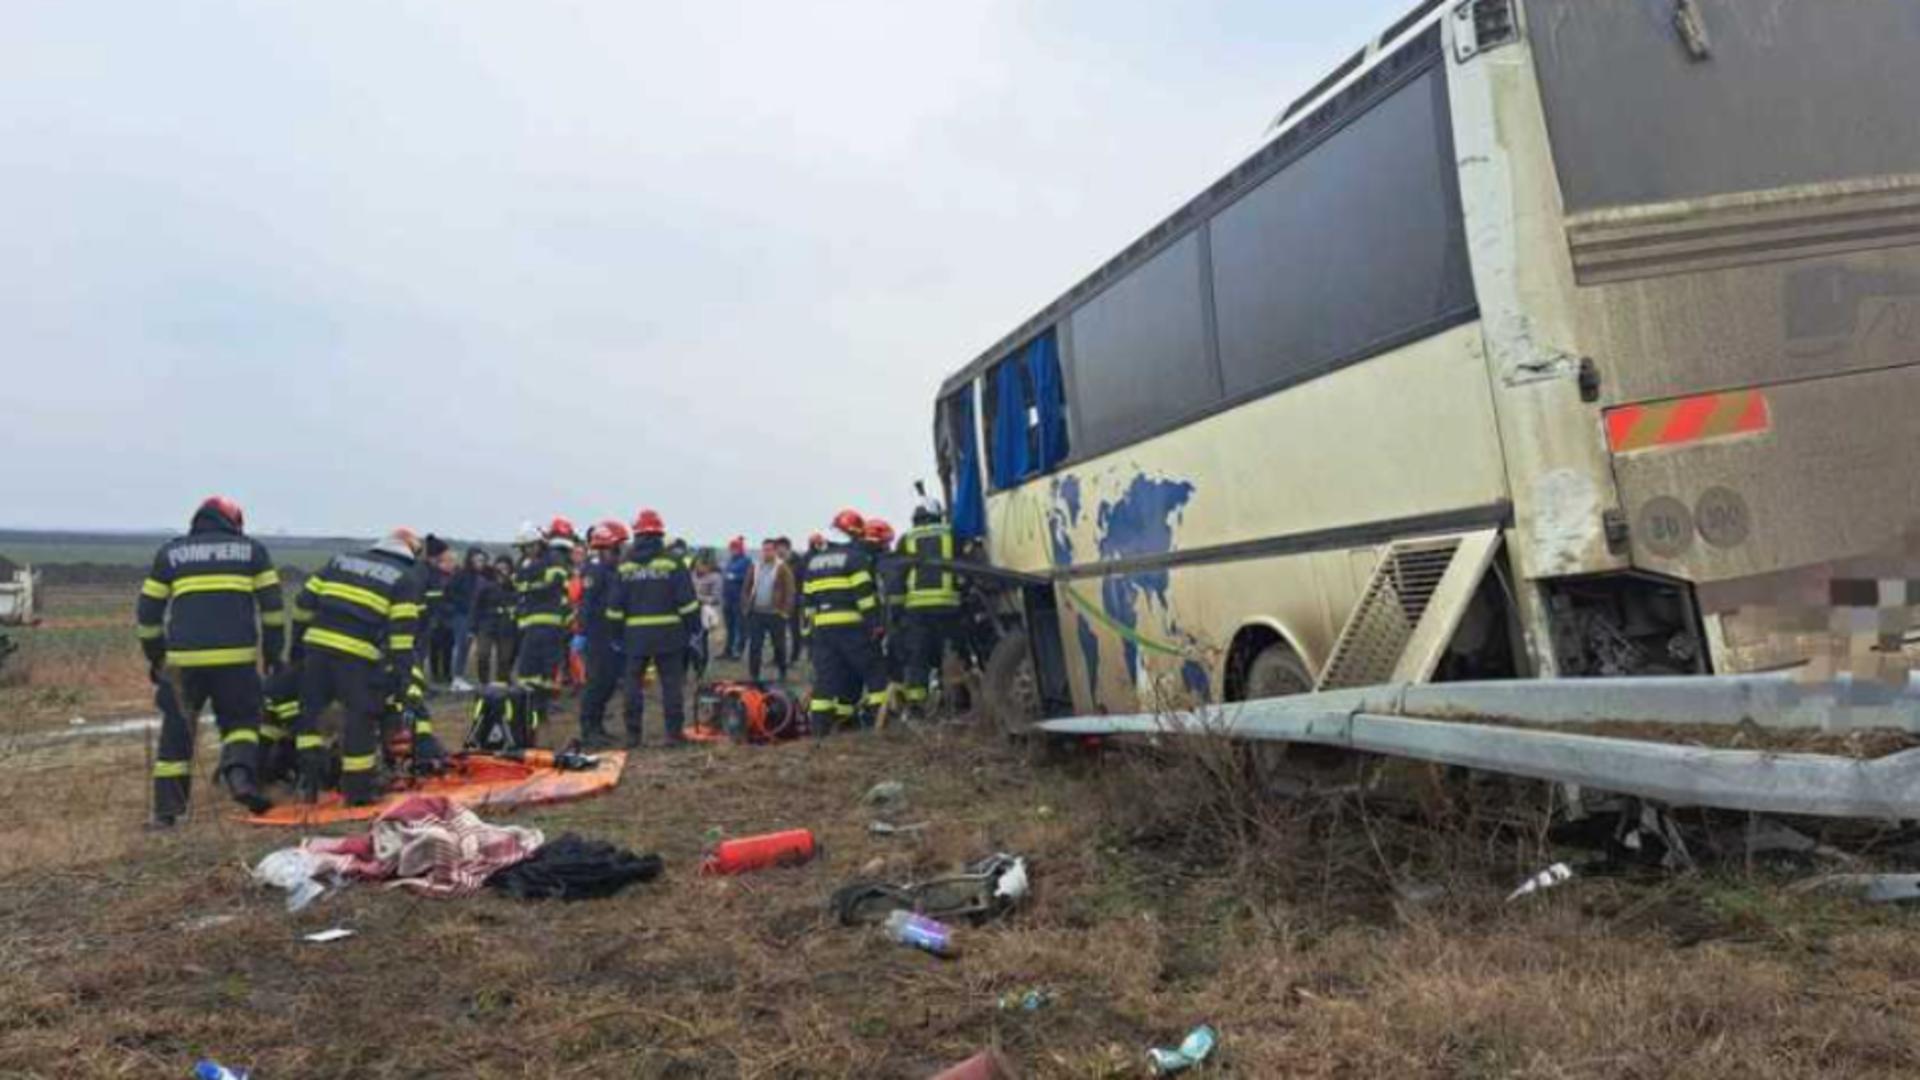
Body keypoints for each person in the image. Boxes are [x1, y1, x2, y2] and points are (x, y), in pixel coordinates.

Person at [135, 495, 285, 824]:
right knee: (242, 723)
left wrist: (156, 656)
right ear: (234, 522)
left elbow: (147, 613)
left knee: (176, 732)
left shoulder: (171, 553)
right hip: (237, 661)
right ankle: (239, 777)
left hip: (181, 662)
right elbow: (273, 610)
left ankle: (166, 814)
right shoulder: (252, 552)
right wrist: (273, 654)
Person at [290, 528, 425, 805]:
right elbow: (401, 638)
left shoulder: (339, 560)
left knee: (311, 716)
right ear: (410, 553)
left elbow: (303, 604)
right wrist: (401, 678)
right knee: (360, 720)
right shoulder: (404, 579)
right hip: (357, 657)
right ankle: (358, 793)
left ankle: (308, 786)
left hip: (316, 649)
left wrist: (297, 647)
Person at [607, 509, 700, 748]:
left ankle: (633, 736)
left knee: (632, 686)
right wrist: (694, 629)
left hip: (634, 637)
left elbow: (615, 607)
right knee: (671, 685)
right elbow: (688, 602)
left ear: (636, 535)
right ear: (660, 534)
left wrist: (615, 634)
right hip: (670, 636)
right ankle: (673, 735)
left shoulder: (625, 566)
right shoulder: (672, 563)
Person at [801, 509, 887, 733]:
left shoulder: (814, 563)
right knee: (874, 671)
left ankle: (820, 728)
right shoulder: (855, 558)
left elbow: (807, 603)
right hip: (852, 627)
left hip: (822, 630)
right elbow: (865, 597)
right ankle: (881, 722)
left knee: (827, 678)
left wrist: (807, 635)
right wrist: (875, 624)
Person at [512, 518, 574, 745]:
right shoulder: (527, 563)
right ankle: (533, 717)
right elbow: (518, 584)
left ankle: (541, 715)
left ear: (538, 543)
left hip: (550, 627)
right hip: (531, 627)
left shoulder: (554, 559)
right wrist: (529, 583)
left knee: (545, 676)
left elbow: (553, 581)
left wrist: (529, 584)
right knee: (529, 675)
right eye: (523, 548)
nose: (526, 551)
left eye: (528, 546)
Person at [897, 507, 964, 715]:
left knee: (918, 654)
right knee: (952, 650)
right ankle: (953, 700)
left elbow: (899, 572)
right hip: (947, 605)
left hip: (916, 607)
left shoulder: (906, 538)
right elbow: (963, 563)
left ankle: (917, 705)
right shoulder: (950, 533)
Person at [574, 519, 628, 750]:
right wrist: (582, 634)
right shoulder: (595, 571)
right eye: (618, 547)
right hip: (597, 636)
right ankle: (588, 729)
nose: (620, 552)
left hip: (610, 635)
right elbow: (587, 605)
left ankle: (597, 727)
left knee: (607, 683)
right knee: (597, 684)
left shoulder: (611, 569)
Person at [741, 538, 795, 683]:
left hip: (775, 614)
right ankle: (754, 675)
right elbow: (746, 586)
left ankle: (782, 672)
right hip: (757, 613)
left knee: (779, 645)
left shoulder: (782, 567)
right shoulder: (755, 565)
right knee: (755, 646)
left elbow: (790, 591)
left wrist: (785, 612)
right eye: (764, 549)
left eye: (769, 549)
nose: (766, 552)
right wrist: (746, 606)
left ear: (775, 551)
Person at [864, 518, 906, 706]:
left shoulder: (866, 562)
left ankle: (890, 699)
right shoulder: (891, 561)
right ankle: (893, 699)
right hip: (890, 619)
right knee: (894, 659)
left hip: (880, 619)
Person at [470, 554, 517, 684]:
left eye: (505, 568)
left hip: (507, 624)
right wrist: (473, 627)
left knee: (505, 658)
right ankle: (483, 682)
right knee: (483, 654)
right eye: (499, 568)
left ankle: (502, 683)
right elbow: (476, 606)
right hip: (487, 623)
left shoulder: (515, 585)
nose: (502, 571)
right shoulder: (486, 585)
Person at [446, 547, 486, 690]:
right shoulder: (460, 575)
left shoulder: (481, 578)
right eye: (478, 560)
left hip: (473, 617)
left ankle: (459, 677)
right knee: (460, 645)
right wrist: (458, 607)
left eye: (482, 560)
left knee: (466, 646)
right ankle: (456, 678)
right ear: (470, 560)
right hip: (461, 615)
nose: (481, 563)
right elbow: (449, 593)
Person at [422, 535, 455, 685]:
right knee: (432, 651)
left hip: (445, 617)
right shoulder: (423, 572)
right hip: (428, 619)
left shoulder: (439, 572)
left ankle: (446, 677)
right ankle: (434, 678)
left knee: (447, 648)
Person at [691, 553, 725, 680]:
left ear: (708, 566)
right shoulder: (690, 575)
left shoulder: (716, 578)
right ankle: (688, 668)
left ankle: (700, 669)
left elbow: (716, 598)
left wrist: (699, 598)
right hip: (689, 612)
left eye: (702, 565)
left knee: (701, 642)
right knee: (687, 643)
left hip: (704, 613)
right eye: (697, 564)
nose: (699, 567)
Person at [721, 537, 752, 659]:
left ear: (741, 549)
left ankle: (738, 651)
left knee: (740, 627)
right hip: (728, 599)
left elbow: (747, 578)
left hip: (739, 599)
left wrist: (732, 576)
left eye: (735, 548)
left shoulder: (746, 561)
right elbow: (726, 576)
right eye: (731, 548)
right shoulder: (730, 561)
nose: (733, 550)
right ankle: (727, 650)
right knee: (729, 627)